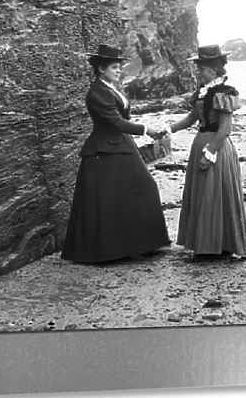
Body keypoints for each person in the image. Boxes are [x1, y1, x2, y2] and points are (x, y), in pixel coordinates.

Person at [61, 44, 171, 263]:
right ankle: (113, 249)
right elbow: (116, 122)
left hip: (119, 145)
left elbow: (120, 120)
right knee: (117, 195)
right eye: (114, 67)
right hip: (106, 148)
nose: (119, 70)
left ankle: (141, 243)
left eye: (119, 66)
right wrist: (146, 129)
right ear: (101, 69)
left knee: (134, 189)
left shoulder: (110, 88)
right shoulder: (97, 93)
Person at [159, 44, 246, 260]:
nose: (198, 71)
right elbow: (192, 118)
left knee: (216, 194)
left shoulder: (223, 92)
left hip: (216, 147)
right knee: (204, 194)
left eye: (201, 68)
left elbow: (225, 129)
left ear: (213, 69)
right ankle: (205, 244)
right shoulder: (204, 91)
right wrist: (168, 129)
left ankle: (221, 245)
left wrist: (210, 153)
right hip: (200, 143)